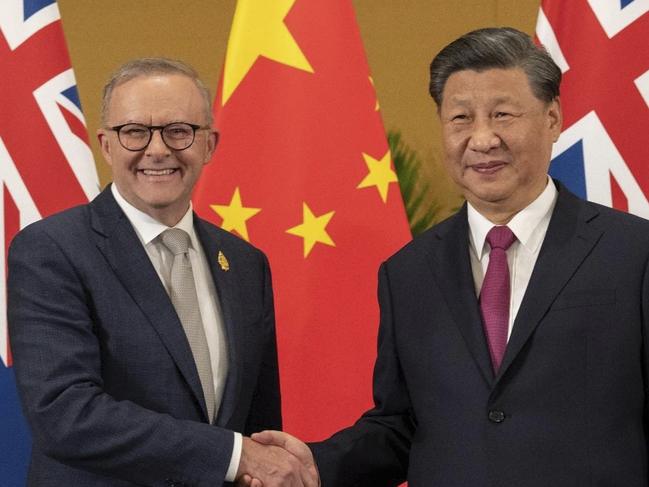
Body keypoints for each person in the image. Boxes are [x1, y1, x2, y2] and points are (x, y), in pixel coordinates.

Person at [252, 27, 649, 486]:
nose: (482, 139)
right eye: (461, 118)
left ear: (553, 118)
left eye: (502, 114)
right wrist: (315, 465)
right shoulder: (408, 272)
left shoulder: (632, 253)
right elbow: (403, 426)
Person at [8, 58, 317, 487]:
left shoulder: (245, 263)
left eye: (179, 130)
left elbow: (257, 427)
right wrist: (234, 454)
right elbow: (64, 412)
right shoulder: (52, 249)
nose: (158, 149)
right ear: (106, 144)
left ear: (209, 144)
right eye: (135, 131)